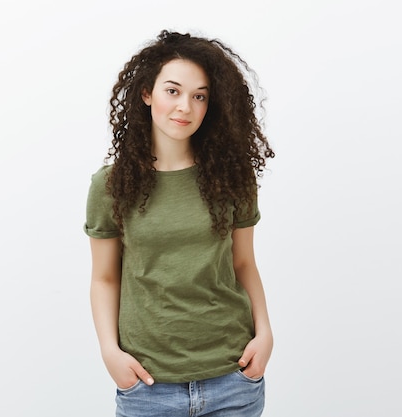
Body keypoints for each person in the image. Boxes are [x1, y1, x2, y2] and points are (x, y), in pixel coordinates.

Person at [84, 29, 275, 417]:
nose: (184, 106)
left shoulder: (231, 179)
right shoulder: (111, 185)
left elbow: (243, 264)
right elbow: (104, 277)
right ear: (146, 94)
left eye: (199, 95)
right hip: (148, 385)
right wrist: (110, 352)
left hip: (233, 378)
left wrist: (265, 334)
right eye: (173, 91)